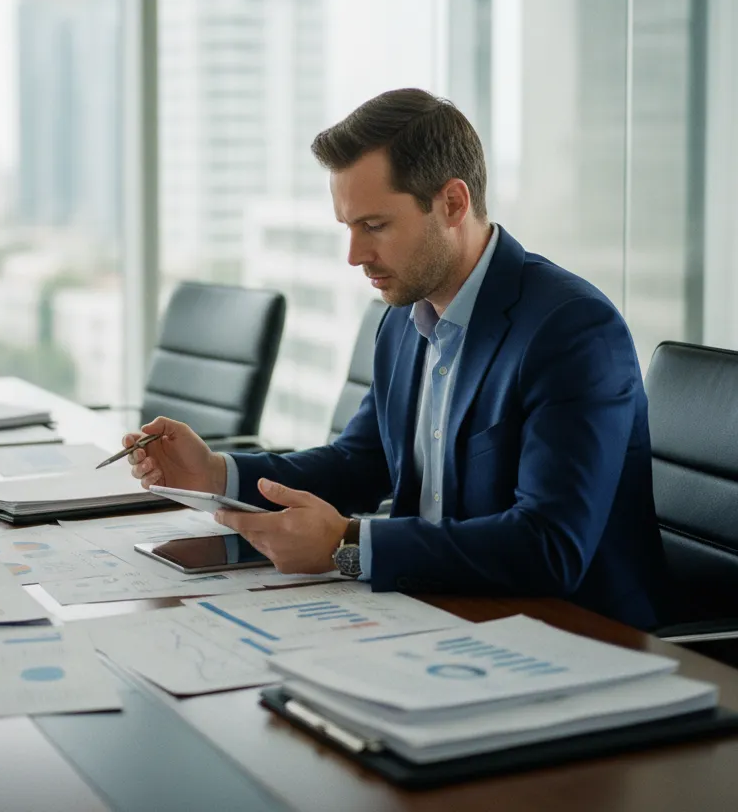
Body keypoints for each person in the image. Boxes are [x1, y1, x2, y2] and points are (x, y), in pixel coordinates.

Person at [126, 88, 667, 630]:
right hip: (430, 613)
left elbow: (550, 547)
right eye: (349, 227)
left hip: (566, 637)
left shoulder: (571, 330)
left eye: (375, 226)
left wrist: (349, 545)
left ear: (452, 204)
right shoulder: (404, 320)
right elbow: (357, 464)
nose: (355, 255)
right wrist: (217, 473)